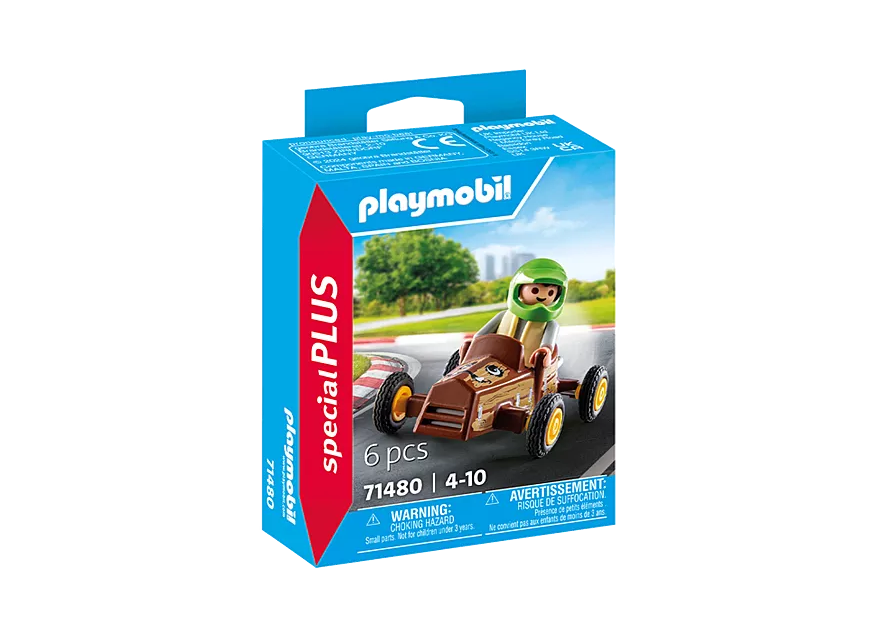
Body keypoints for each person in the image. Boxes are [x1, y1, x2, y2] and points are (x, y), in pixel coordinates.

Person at [472, 258, 568, 368]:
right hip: (494, 360)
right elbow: (481, 335)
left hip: (527, 367)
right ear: (518, 289)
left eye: (550, 293)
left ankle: (540, 378)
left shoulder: (550, 324)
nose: (542, 296)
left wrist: (545, 351)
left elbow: (547, 344)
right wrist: (473, 346)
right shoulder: (503, 316)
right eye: (535, 290)